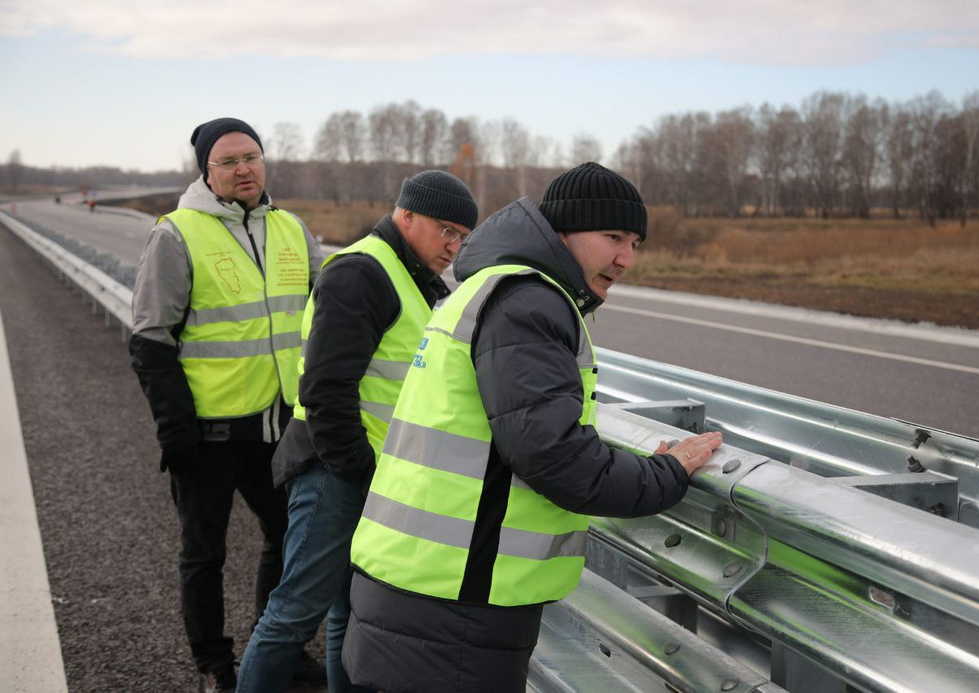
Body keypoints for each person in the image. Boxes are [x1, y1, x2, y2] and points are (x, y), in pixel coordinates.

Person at [343, 162, 724, 693]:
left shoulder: (498, 287)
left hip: (423, 581)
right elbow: (555, 458)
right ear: (561, 232)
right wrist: (666, 472)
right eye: (612, 237)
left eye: (635, 242)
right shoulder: (529, 301)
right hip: (455, 600)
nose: (626, 258)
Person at [236, 171, 478, 692]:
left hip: (371, 474)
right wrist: (362, 475)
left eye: (462, 237)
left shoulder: (413, 277)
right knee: (294, 613)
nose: (453, 247)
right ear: (407, 215)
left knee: (351, 615)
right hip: (336, 473)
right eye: (446, 231)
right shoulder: (362, 272)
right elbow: (326, 391)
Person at [129, 117, 326, 692]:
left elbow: (325, 313)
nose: (243, 168)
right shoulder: (177, 232)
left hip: (280, 426)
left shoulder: (292, 228)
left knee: (288, 541)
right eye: (228, 161)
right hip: (207, 433)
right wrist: (175, 429)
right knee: (203, 555)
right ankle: (215, 666)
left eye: (252, 157)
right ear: (205, 172)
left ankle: (276, 652)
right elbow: (149, 338)